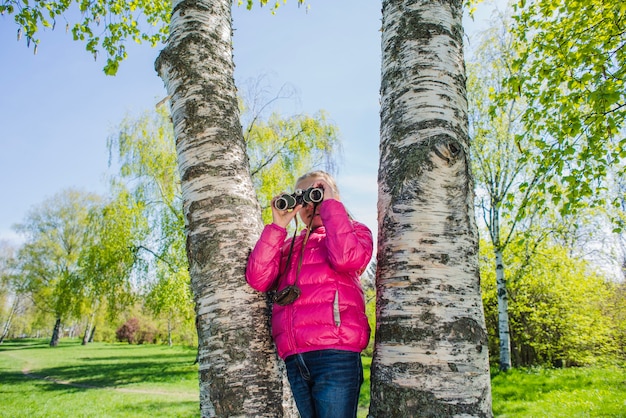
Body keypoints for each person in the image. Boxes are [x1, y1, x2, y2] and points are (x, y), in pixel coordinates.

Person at [246, 170, 373, 418]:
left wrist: (331, 206)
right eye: (302, 198)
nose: (309, 204)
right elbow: (258, 279)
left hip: (336, 353)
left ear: (334, 197)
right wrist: (278, 226)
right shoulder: (289, 246)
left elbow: (347, 258)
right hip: (295, 356)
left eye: (316, 194)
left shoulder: (356, 231)